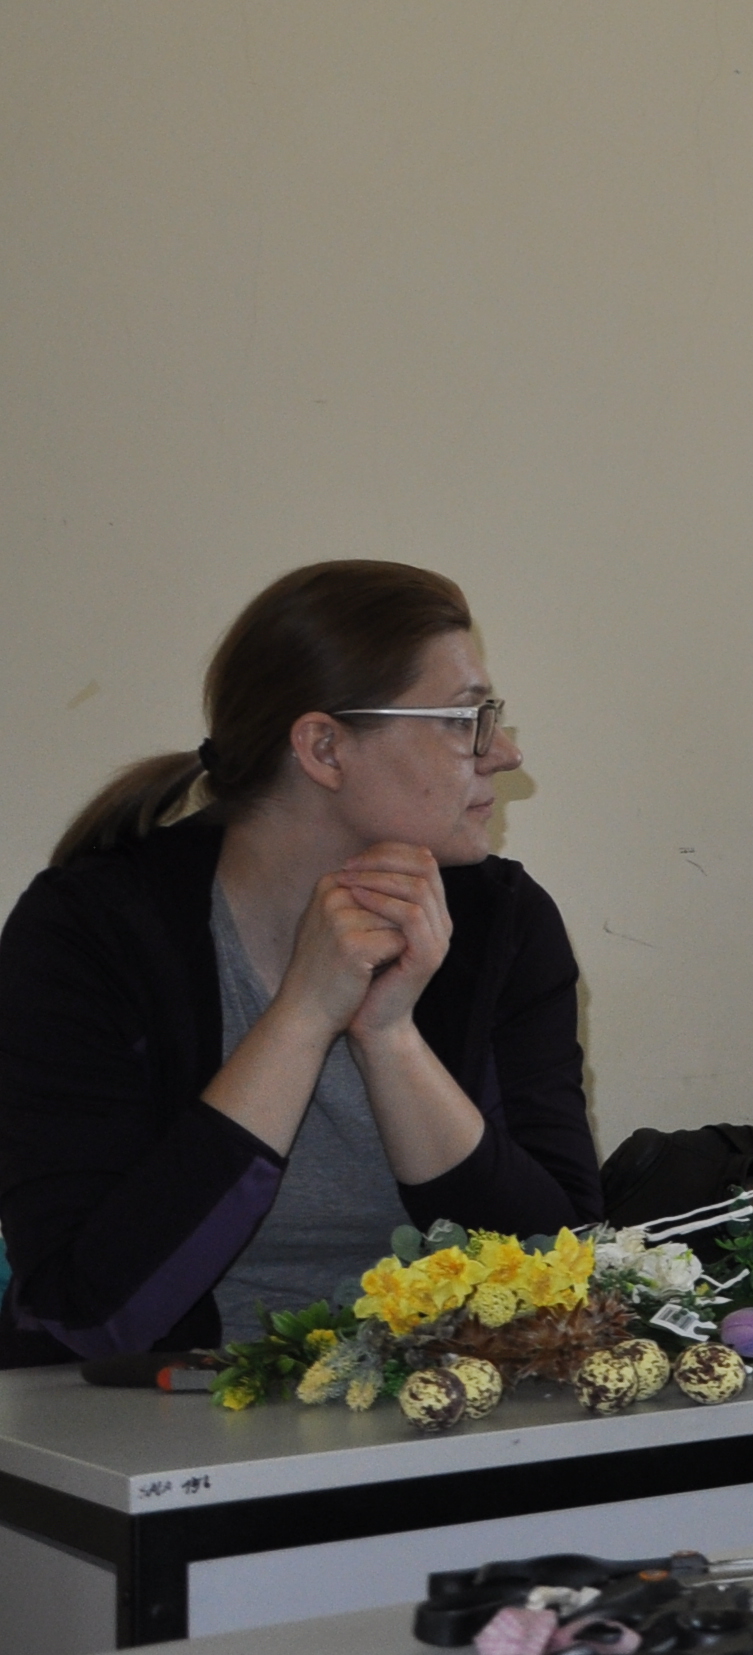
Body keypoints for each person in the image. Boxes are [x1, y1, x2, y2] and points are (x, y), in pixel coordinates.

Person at [0, 560, 597, 1362]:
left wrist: (390, 1038)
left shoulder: (503, 924)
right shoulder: (89, 931)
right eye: (465, 720)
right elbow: (85, 1311)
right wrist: (302, 1017)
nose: (506, 753)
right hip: (154, 1419)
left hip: (440, 1404)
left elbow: (564, 1279)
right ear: (324, 748)